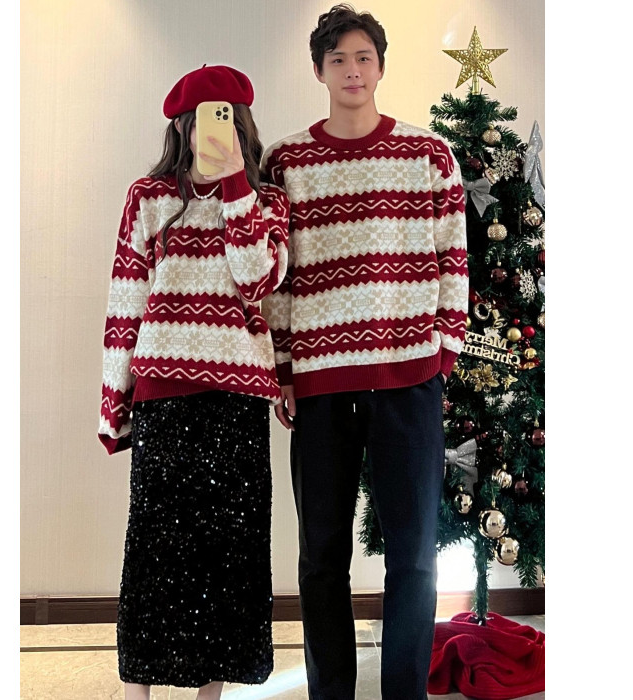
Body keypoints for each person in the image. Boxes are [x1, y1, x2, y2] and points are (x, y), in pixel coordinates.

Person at [260, 5, 468, 699]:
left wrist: (443, 351)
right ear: (319, 71)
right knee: (321, 556)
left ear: (380, 67)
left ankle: (404, 692)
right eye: (338, 59)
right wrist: (283, 368)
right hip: (320, 385)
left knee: (414, 556)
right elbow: (277, 276)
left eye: (364, 58)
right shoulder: (286, 162)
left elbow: (452, 254)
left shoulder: (427, 155)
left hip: (409, 379)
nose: (352, 70)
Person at [98, 64, 290, 700]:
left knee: (230, 553)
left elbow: (259, 279)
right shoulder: (148, 198)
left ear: (243, 125)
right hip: (164, 396)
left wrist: (235, 186)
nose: (214, 128)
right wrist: (114, 402)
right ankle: (139, 693)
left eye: (226, 117)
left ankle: (211, 693)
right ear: (182, 126)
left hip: (238, 399)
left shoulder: (267, 202)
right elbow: (125, 299)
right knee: (156, 548)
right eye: (204, 117)